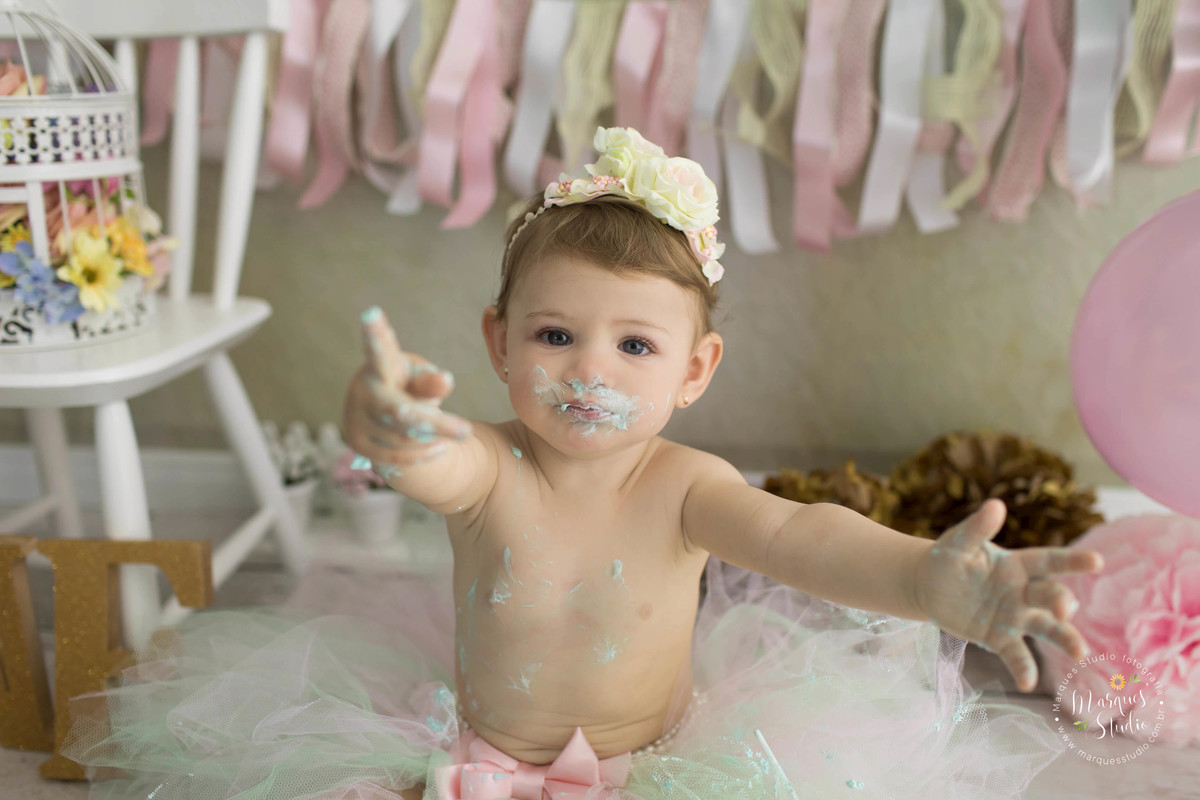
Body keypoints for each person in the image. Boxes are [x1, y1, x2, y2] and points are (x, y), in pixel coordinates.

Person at [63, 127, 1104, 800]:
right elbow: (431, 461)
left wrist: (925, 578)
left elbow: (798, 535)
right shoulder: (492, 465)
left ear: (695, 370)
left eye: (635, 346)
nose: (587, 371)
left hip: (657, 762)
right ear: (499, 341)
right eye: (555, 335)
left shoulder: (686, 485)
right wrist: (387, 422)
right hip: (472, 750)